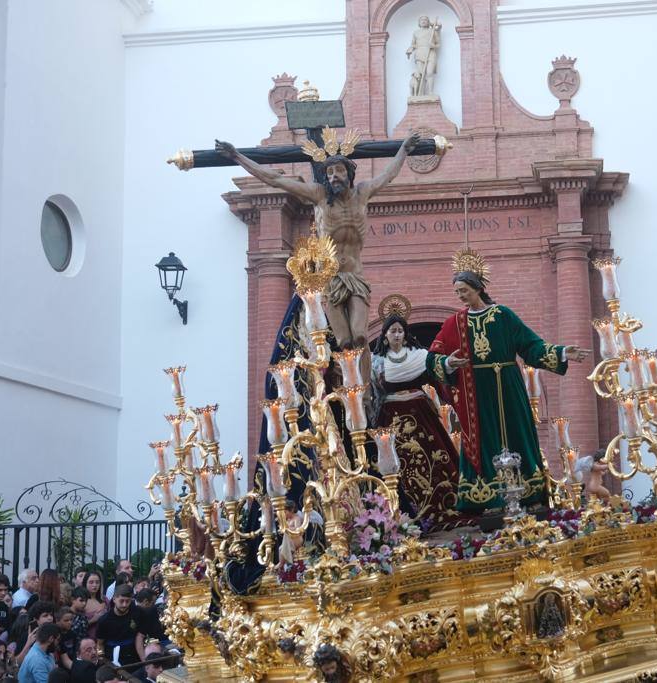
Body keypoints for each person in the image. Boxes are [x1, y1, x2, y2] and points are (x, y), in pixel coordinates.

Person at [215, 132, 422, 378]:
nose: (334, 177)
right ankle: (350, 390)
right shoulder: (319, 196)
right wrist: (237, 156)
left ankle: (366, 392)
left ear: (349, 174)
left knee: (360, 335)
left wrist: (405, 150)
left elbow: (388, 174)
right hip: (331, 280)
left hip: (355, 277)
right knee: (345, 341)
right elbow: (275, 180)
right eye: (330, 173)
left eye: (339, 171)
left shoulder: (362, 193)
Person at [425, 266, 587, 512]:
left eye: (465, 290)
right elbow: (432, 357)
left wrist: (563, 352)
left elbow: (530, 345)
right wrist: (448, 363)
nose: (460, 296)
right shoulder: (454, 323)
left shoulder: (503, 315)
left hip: (509, 386)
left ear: (478, 288)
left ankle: (530, 495)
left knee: (518, 432)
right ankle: (490, 498)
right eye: (457, 292)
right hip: (476, 393)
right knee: (484, 437)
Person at [370, 309, 467, 530]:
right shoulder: (377, 363)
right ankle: (407, 515)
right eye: (392, 331)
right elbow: (373, 394)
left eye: (400, 331)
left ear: (405, 334)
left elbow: (437, 366)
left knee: (435, 459)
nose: (396, 335)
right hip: (392, 419)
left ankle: (447, 506)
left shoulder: (419, 355)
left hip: (420, 415)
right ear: (384, 335)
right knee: (399, 466)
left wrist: (449, 363)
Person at [95, 585, 145, 667]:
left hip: (133, 657)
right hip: (112, 658)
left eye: (127, 601)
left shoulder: (137, 612)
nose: (124, 605)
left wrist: (144, 661)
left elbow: (140, 636)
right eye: (121, 601)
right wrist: (102, 660)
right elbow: (100, 644)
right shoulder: (104, 620)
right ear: (114, 599)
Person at [406, 16, 442, 97]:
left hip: (430, 53)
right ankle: (420, 94)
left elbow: (438, 44)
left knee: (429, 73)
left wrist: (433, 45)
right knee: (421, 74)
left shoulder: (433, 31)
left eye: (425, 20)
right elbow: (413, 44)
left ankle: (430, 92)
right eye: (421, 20)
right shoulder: (416, 32)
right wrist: (410, 50)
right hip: (419, 53)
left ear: (428, 22)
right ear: (419, 22)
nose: (423, 21)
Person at [81, 571, 107, 640]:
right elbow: (76, 626)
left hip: (103, 640)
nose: (94, 585)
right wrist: (93, 619)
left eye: (97, 582)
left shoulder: (105, 600)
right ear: (85, 583)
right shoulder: (81, 601)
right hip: (87, 640)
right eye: (91, 582)